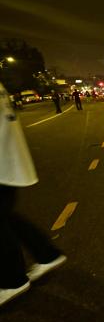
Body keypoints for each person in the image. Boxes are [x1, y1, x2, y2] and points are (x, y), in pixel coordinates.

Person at [0, 82, 67, 307]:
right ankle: (46, 253)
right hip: (6, 161)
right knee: (6, 217)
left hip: (3, 163)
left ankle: (13, 280)